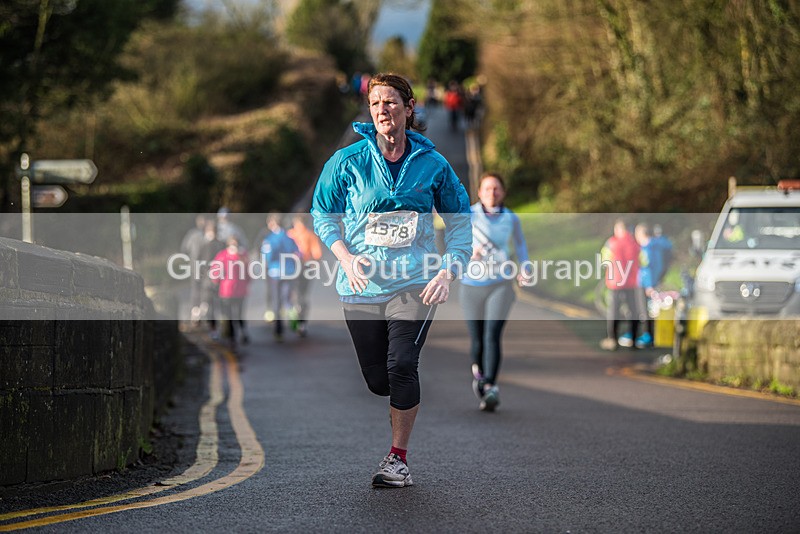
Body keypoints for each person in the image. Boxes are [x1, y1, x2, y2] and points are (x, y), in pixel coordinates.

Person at [311, 73, 471, 488]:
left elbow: (459, 221)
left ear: (410, 107)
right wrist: (344, 258)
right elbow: (323, 213)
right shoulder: (346, 161)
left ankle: (397, 459)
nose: (384, 109)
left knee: (401, 364)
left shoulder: (432, 164)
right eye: (377, 103)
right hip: (360, 285)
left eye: (392, 102)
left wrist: (448, 269)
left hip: (415, 283)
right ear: (370, 110)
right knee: (378, 379)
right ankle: (397, 400)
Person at [460, 173, 532, 412]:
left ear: (503, 192)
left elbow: (520, 246)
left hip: (501, 282)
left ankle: (491, 385)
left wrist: (525, 269)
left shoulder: (511, 218)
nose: (492, 193)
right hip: (472, 285)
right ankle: (479, 373)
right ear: (479, 192)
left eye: (497, 189)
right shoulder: (468, 215)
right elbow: (452, 244)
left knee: (492, 334)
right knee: (477, 339)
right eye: (488, 189)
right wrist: (470, 253)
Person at [599, 219, 645, 350]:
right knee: (633, 310)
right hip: (631, 282)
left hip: (615, 283)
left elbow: (605, 261)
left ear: (618, 229)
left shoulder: (611, 243)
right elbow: (643, 260)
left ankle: (612, 339)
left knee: (614, 311)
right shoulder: (635, 243)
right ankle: (634, 340)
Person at [260, 213, 300, 342]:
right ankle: (294, 317)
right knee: (287, 298)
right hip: (289, 271)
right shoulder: (289, 237)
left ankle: (278, 331)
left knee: (277, 301)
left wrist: (264, 267)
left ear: (271, 223)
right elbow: (297, 253)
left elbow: (268, 256)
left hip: (275, 272)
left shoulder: (270, 239)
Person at [286, 213, 323, 337]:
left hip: (296, 267)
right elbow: (317, 254)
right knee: (300, 295)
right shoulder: (306, 234)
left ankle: (298, 318)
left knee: (296, 294)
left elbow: (317, 253)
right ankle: (299, 320)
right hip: (303, 267)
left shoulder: (291, 234)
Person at [211, 236, 250, 349]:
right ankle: (235, 335)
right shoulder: (228, 256)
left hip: (233, 290)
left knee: (236, 314)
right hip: (230, 290)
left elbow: (248, 273)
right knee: (232, 315)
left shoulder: (237, 256)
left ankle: (237, 335)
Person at [199, 219, 226, 338]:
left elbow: (201, 263)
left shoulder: (205, 245)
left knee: (211, 306)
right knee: (222, 305)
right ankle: (225, 329)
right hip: (222, 279)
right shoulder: (222, 244)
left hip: (209, 280)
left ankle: (214, 329)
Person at [180, 214, 207, 324]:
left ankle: (204, 314)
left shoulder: (208, 235)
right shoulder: (192, 235)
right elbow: (184, 248)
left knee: (205, 291)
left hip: (205, 268)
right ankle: (196, 314)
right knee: (196, 290)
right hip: (195, 266)